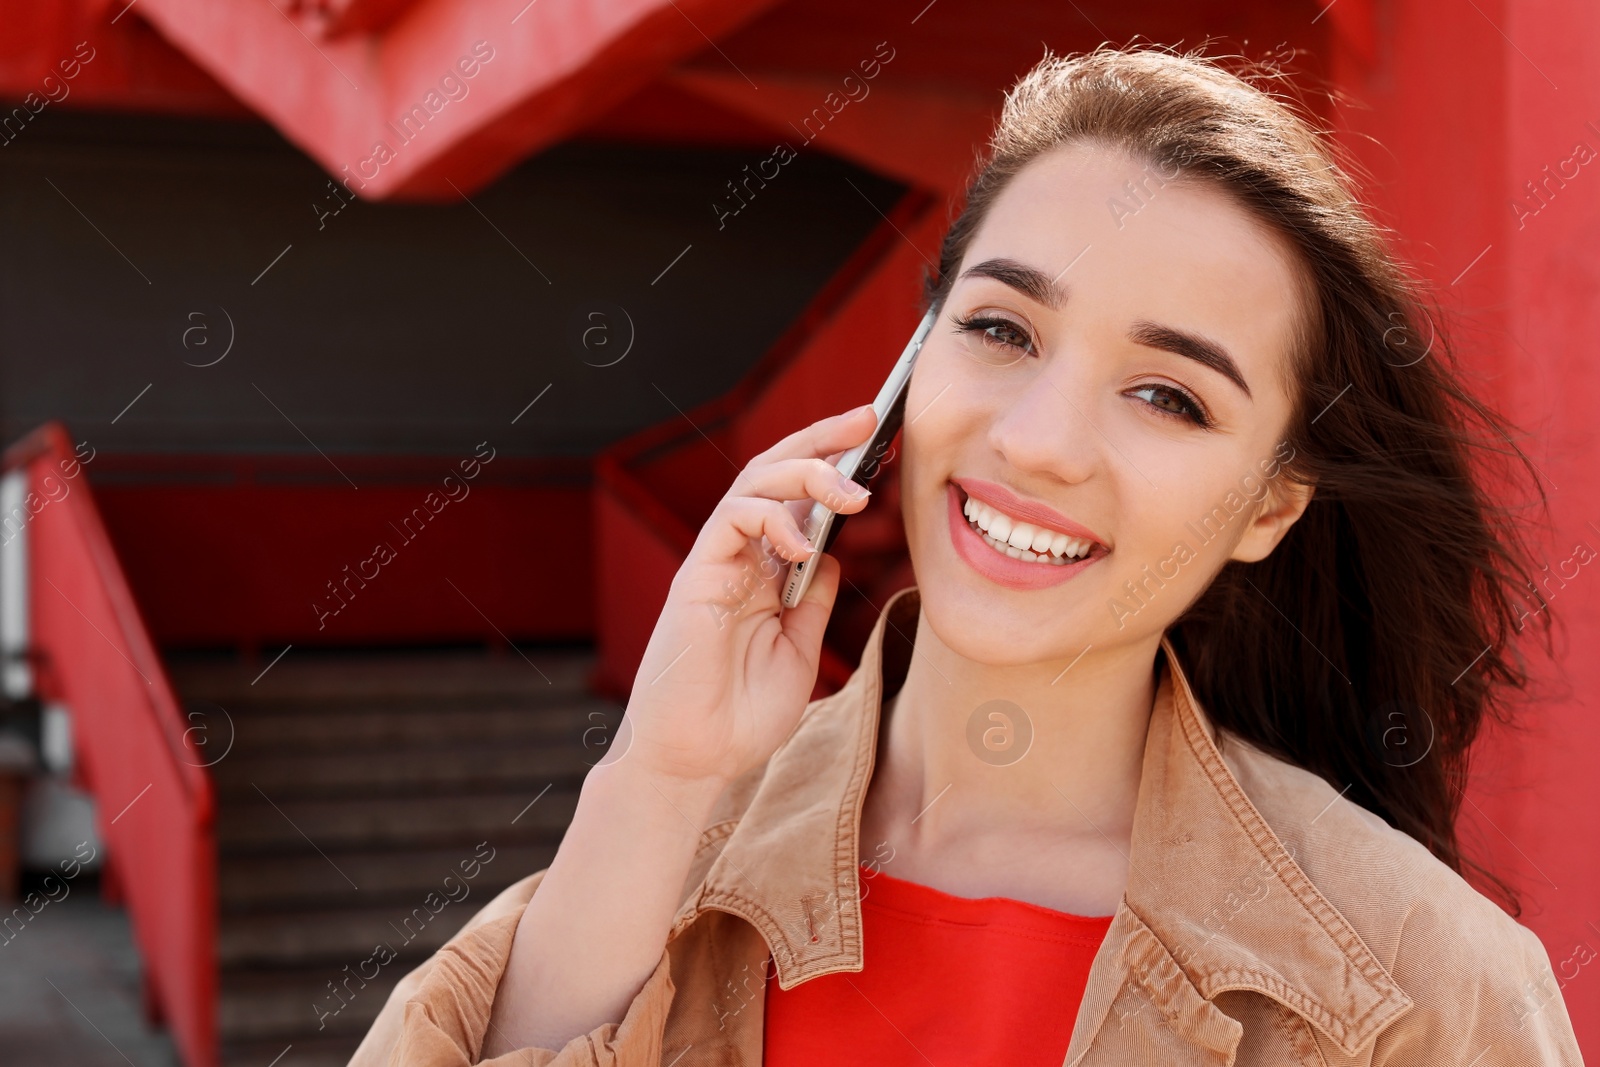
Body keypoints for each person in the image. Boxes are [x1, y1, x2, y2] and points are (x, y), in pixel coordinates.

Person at [350, 45, 1584, 1065]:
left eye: (1168, 396)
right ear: (911, 366)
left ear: (1270, 506)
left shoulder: (1425, 980)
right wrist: (656, 776)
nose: (1039, 441)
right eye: (1000, 327)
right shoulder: (661, 854)